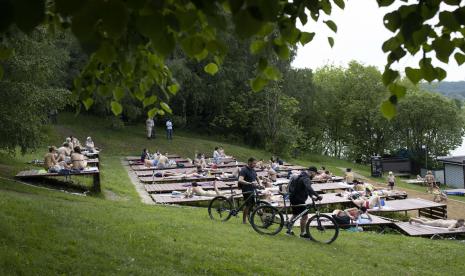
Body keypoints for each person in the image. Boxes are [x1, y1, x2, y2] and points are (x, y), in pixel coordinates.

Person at [288, 166, 322, 238]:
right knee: (305, 216)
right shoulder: (306, 178)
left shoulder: (302, 175)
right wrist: (317, 196)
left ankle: (289, 230)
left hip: (293, 197)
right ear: (312, 172)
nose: (315, 175)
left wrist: (312, 197)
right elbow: (309, 188)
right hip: (298, 199)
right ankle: (302, 233)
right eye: (315, 174)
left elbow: (305, 189)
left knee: (295, 214)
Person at [238, 157, 263, 224]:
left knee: (252, 204)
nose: (255, 164)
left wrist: (260, 184)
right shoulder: (244, 170)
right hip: (246, 189)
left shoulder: (253, 170)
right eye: (254, 163)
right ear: (249, 162)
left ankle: (250, 217)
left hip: (253, 189)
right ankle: (244, 220)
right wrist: (249, 183)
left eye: (255, 163)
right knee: (248, 205)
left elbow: (257, 178)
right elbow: (240, 180)